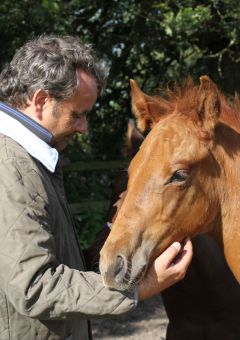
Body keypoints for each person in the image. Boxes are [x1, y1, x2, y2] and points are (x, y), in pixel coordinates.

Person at [0, 35, 193, 340]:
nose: (83, 127)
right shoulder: (9, 167)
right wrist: (139, 290)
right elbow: (34, 287)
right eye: (77, 114)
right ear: (40, 101)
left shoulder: (30, 158)